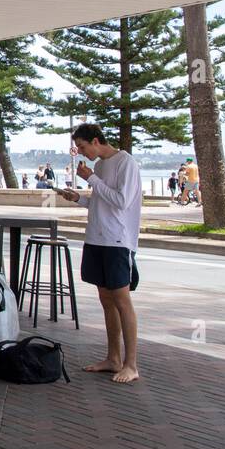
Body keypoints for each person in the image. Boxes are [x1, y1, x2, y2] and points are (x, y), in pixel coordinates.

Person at [54, 123, 142, 384]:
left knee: (122, 300)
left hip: (118, 240)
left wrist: (91, 179)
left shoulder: (125, 162)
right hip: (97, 237)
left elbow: (121, 201)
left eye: (82, 147)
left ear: (95, 140)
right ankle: (113, 358)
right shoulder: (101, 166)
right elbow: (103, 200)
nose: (81, 152)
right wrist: (79, 198)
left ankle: (131, 364)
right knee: (105, 298)